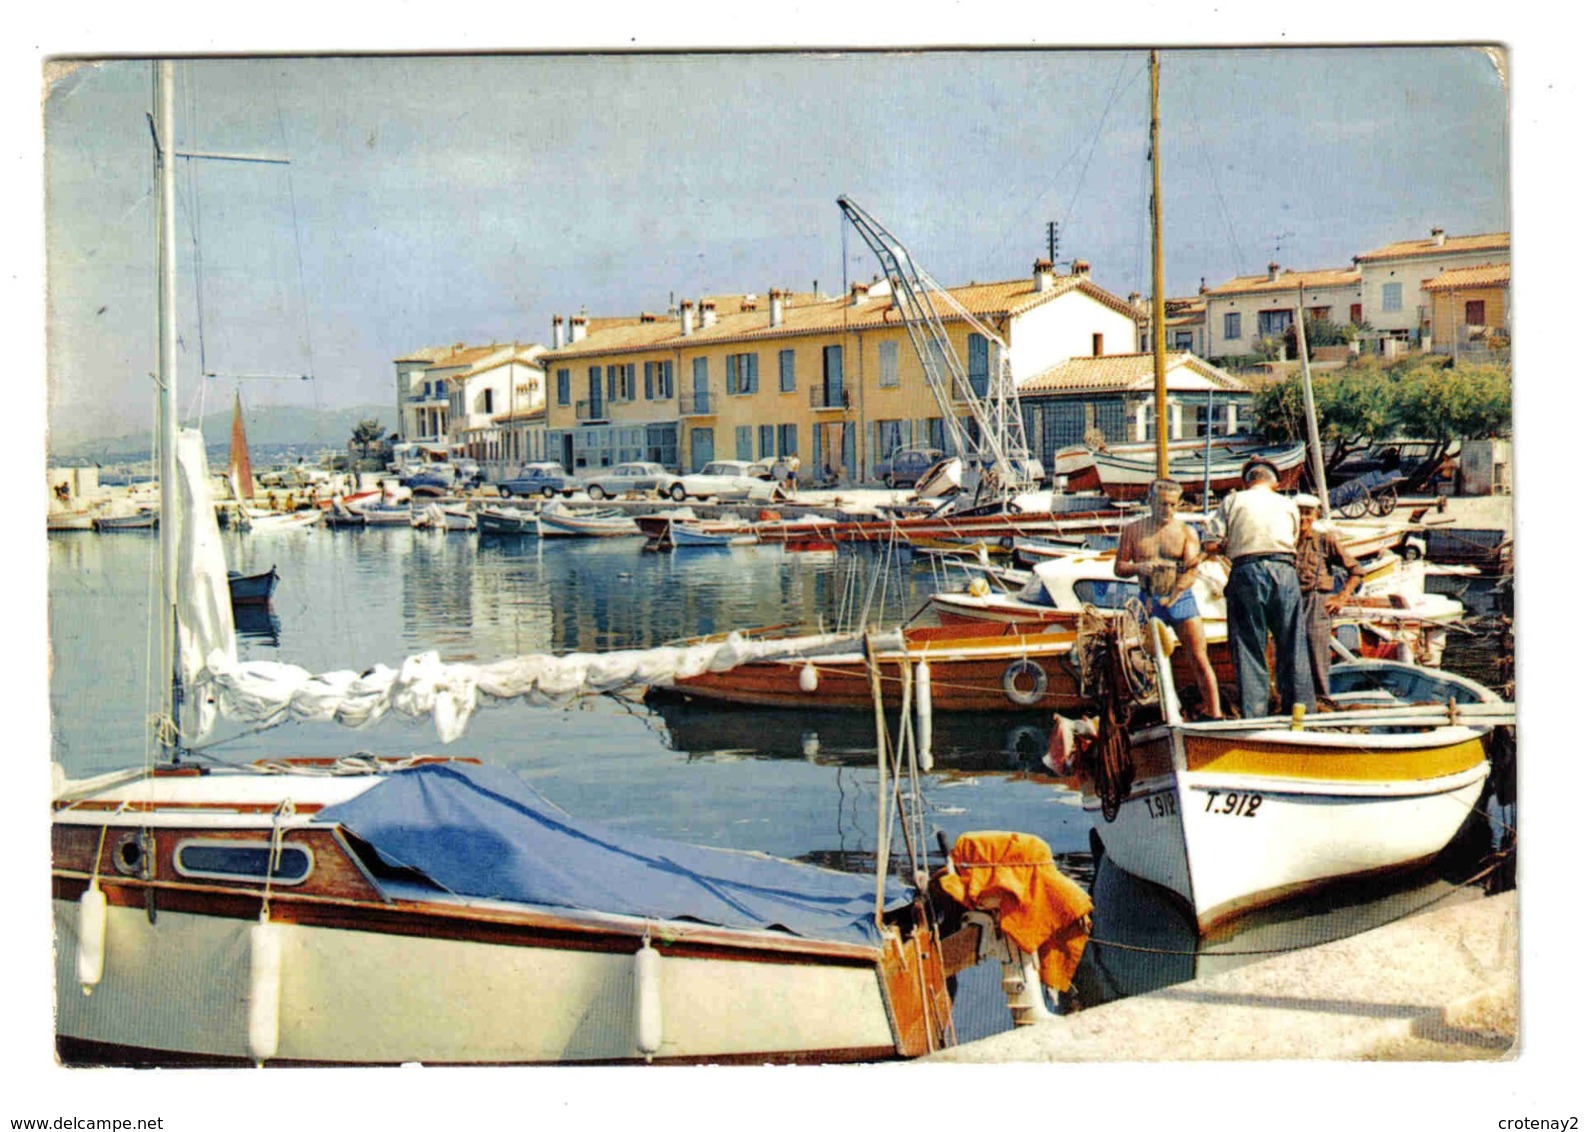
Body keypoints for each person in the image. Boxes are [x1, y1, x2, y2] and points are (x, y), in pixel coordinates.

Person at [1205, 457, 1313, 718]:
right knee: (1292, 643)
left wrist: (1231, 545)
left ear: (1246, 481)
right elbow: (1296, 539)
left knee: (1249, 646)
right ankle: (1301, 713)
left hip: (1247, 570)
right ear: (1274, 483)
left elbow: (1210, 544)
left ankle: (1255, 717)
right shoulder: (1287, 504)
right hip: (1284, 571)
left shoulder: (1232, 501)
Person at [1115, 479, 1223, 718]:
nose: (1168, 510)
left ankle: (1216, 714)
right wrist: (1139, 567)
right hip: (1148, 600)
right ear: (1151, 501)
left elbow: (1191, 570)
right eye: (1163, 504)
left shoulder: (1186, 532)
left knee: (1198, 657)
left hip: (1181, 600)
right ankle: (1161, 712)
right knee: (1147, 661)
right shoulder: (1133, 530)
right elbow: (1119, 567)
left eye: (1173, 505)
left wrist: (1173, 597)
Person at [1295, 493, 1364, 702]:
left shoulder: (1325, 541)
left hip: (1316, 601)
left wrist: (1341, 598)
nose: (1303, 519)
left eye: (1308, 514)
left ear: (1315, 515)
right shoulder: (1284, 541)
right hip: (1291, 602)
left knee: (1317, 657)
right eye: (1299, 513)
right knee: (1290, 659)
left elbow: (1356, 571)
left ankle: (1322, 704)